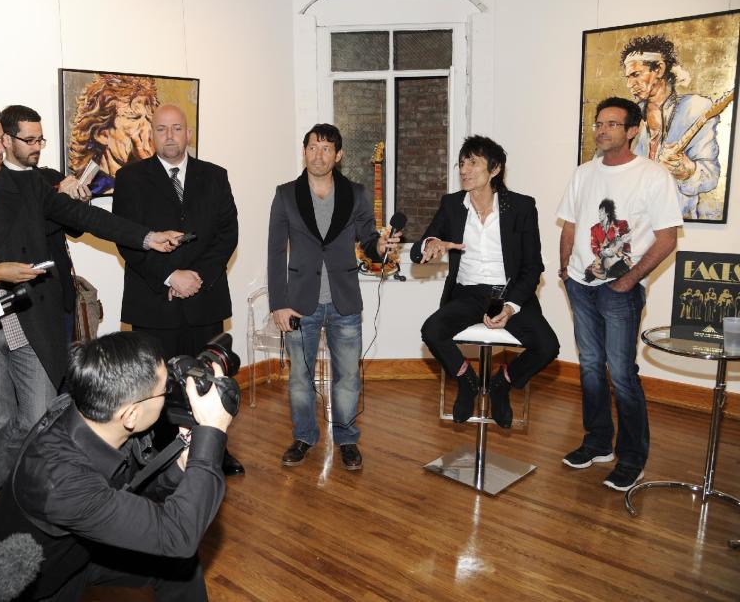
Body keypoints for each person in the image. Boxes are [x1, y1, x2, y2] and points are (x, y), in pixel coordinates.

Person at [0, 100, 182, 521]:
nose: (0, 147)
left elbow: (85, 217)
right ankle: (1, 510)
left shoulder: (25, 187)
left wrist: (146, 237)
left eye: (0, 138)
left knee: (36, 420)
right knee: (0, 426)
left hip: (29, 324)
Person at [0, 331, 231, 601]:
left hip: (76, 548)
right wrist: (212, 432)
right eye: (164, 390)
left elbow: (133, 492)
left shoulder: (92, 414)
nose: (170, 394)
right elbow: (178, 535)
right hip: (33, 587)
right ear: (130, 415)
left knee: (180, 568)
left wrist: (180, 464)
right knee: (177, 550)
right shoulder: (62, 481)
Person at [557, 96, 681, 492]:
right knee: (591, 369)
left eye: (612, 124)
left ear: (632, 131)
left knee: (623, 375)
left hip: (620, 292)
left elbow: (666, 240)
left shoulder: (653, 176)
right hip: (581, 286)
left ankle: (631, 458)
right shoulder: (583, 173)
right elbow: (570, 227)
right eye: (598, 123)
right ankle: (596, 444)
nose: (601, 130)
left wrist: (629, 280)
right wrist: (565, 271)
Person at [113, 103, 243, 476]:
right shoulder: (131, 179)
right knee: (159, 384)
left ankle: (213, 452)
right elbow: (128, 240)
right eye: (161, 129)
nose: (169, 136)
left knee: (210, 380)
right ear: (151, 135)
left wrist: (196, 276)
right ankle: (163, 459)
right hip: (154, 302)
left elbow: (226, 234)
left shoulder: (215, 176)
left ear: (188, 134)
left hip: (205, 298)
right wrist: (171, 275)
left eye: (176, 129)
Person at [267, 123, 399, 470]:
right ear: (304, 152)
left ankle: (347, 439)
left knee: (348, 378)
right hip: (298, 303)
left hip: (345, 302)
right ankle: (305, 436)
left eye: (326, 148)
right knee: (299, 379)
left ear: (338, 155)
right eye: (312, 147)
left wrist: (380, 246)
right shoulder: (285, 194)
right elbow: (275, 251)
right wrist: (278, 303)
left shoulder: (355, 193)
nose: (318, 154)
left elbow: (369, 241)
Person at [411, 136, 559, 428]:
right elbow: (419, 251)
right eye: (462, 163)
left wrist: (512, 306)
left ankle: (501, 384)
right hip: (467, 293)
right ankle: (468, 381)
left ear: (495, 170)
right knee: (432, 330)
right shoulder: (452, 204)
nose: (465, 169)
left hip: (507, 293)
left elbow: (533, 267)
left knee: (547, 346)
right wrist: (431, 244)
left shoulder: (521, 206)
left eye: (473, 162)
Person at [1, 104, 86, 344]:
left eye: (40, 140)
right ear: (7, 140)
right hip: (23, 299)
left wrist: (80, 202)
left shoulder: (50, 177)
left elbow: (76, 229)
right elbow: (21, 233)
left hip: (61, 295)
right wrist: (60, 200)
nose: (37, 147)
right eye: (29, 140)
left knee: (67, 374)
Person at [621, 34, 721, 220]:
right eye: (627, 77)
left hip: (674, 224)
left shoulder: (695, 109)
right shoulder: (627, 117)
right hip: (630, 222)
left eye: (636, 74)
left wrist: (687, 170)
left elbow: (711, 176)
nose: (630, 84)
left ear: (659, 68)